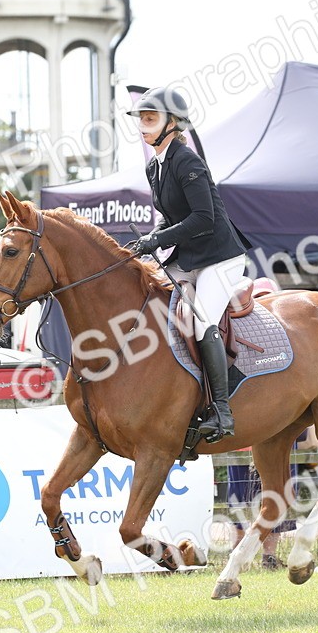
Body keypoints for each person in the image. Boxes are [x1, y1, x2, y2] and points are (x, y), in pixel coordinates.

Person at [126, 86, 251, 443]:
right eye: (142, 119)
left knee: (201, 320)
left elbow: (203, 218)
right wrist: (148, 239)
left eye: (150, 119)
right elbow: (170, 218)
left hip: (221, 257)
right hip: (189, 258)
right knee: (152, 305)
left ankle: (222, 411)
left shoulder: (188, 161)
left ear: (173, 124)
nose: (143, 126)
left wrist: (158, 240)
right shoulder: (154, 167)